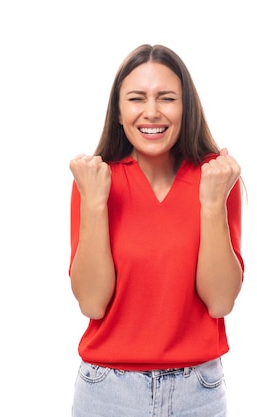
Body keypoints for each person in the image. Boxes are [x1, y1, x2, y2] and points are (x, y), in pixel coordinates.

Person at [68, 44, 245, 417]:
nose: (152, 112)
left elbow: (220, 301)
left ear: (186, 108)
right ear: (118, 111)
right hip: (108, 392)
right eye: (136, 99)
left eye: (167, 98)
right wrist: (95, 203)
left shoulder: (215, 177)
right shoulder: (95, 180)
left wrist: (212, 205)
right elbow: (92, 302)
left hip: (198, 391)